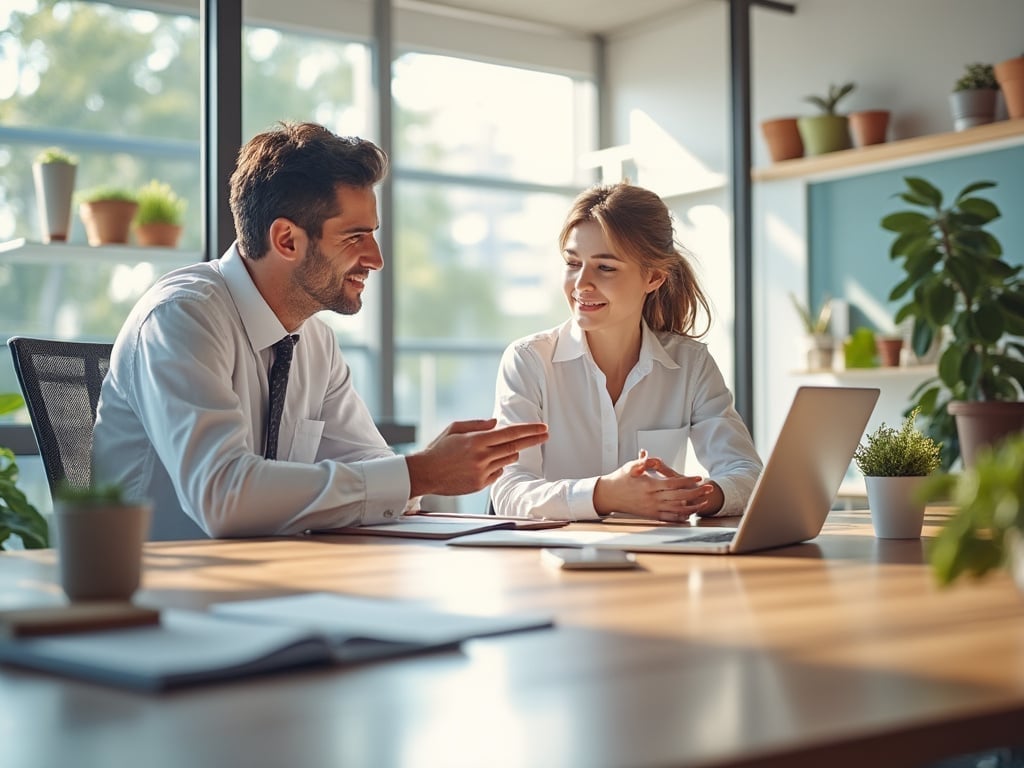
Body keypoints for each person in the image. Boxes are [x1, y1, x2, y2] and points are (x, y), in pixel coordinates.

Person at [93, 121, 547, 540]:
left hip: (271, 583)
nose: (376, 259)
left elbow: (369, 468)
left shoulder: (313, 340)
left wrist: (423, 467)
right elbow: (223, 496)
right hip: (162, 592)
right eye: (354, 237)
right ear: (287, 240)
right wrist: (418, 473)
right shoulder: (182, 317)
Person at [490, 182, 761, 522]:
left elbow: (747, 472)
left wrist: (698, 496)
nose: (581, 283)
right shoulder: (529, 361)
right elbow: (509, 490)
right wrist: (604, 493)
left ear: (654, 277)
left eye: (605, 267)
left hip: (656, 563)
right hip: (552, 561)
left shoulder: (691, 364)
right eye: (573, 263)